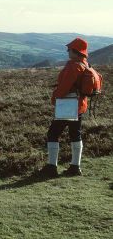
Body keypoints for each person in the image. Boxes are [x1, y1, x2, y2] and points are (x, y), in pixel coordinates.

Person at [39, 37, 89, 178]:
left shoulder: (73, 66)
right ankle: (75, 166)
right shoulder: (85, 64)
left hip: (68, 105)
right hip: (80, 105)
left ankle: (51, 167)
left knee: (53, 134)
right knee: (75, 134)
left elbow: (64, 88)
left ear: (76, 51)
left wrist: (55, 97)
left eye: (70, 49)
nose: (67, 51)